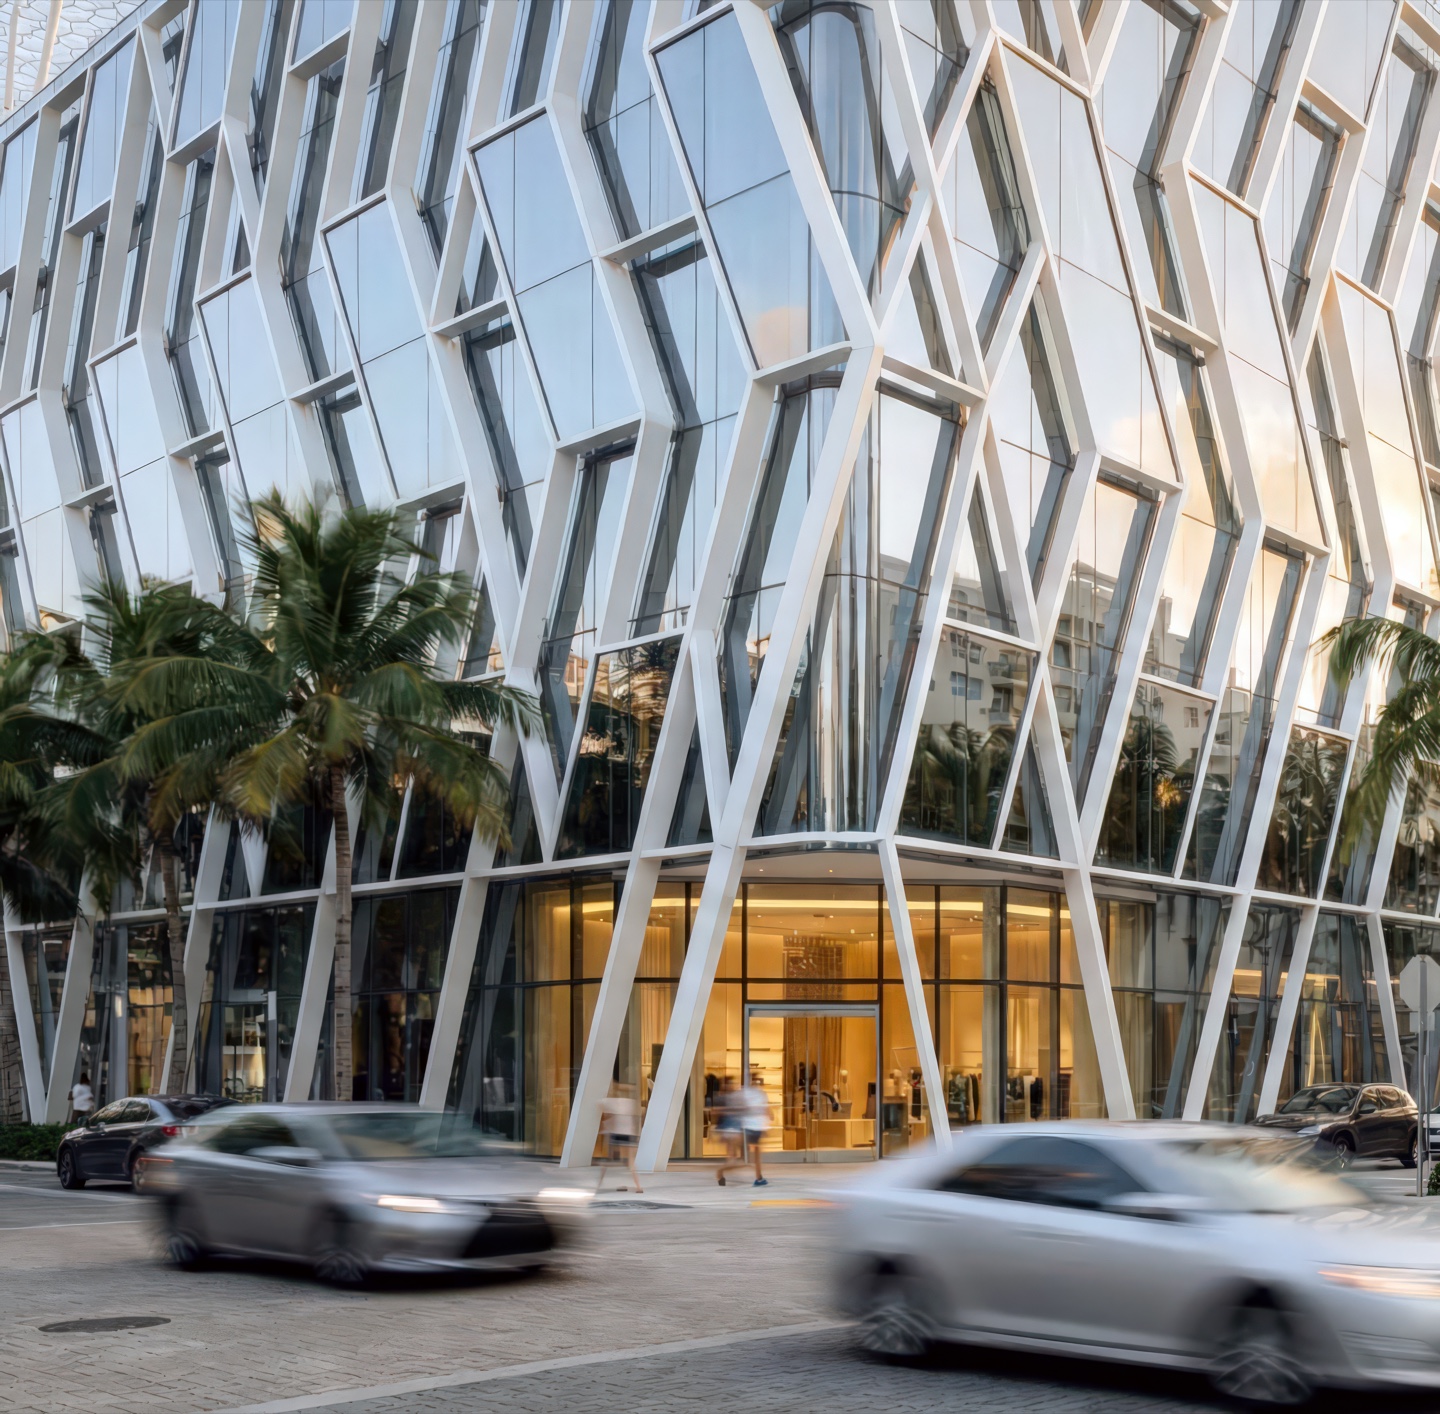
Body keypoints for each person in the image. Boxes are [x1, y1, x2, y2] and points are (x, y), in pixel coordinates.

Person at [717, 1076, 770, 1187]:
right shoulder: (735, 1096)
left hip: (735, 1129)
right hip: (733, 1130)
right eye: (730, 1083)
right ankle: (720, 1173)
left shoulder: (732, 1095)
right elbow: (743, 1110)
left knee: (736, 1157)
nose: (733, 1085)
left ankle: (758, 1176)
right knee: (737, 1159)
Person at [595, 1083, 642, 1194]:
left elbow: (598, 1104)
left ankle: (599, 1184)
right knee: (630, 1161)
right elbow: (638, 1116)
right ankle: (638, 1186)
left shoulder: (611, 1102)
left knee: (609, 1160)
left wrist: (608, 1119)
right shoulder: (631, 1103)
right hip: (629, 1135)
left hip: (616, 1134)